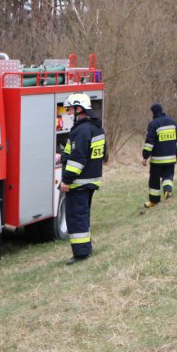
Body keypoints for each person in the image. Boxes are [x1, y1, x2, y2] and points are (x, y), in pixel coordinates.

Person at [59, 93, 106, 265]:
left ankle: (80, 254)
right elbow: (102, 154)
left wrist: (66, 180)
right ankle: (86, 247)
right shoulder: (97, 128)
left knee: (76, 217)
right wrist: (62, 157)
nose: (69, 113)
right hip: (91, 180)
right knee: (83, 215)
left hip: (78, 183)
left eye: (71, 110)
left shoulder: (81, 130)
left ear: (79, 109)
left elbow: (78, 159)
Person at [142, 103, 177, 207]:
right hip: (170, 158)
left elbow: (149, 142)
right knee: (168, 176)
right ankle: (167, 191)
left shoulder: (154, 124)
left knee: (154, 180)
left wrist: (145, 156)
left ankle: (154, 201)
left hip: (157, 160)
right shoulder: (173, 123)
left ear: (154, 113)